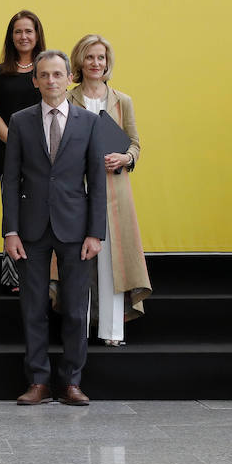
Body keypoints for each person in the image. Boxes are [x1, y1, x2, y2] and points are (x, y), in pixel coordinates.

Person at [2, 50, 106, 406]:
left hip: (76, 229)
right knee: (33, 308)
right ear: (35, 80)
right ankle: (39, 382)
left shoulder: (89, 122)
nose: (51, 81)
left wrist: (96, 232)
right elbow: (10, 180)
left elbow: (97, 181)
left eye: (57, 75)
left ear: (68, 78)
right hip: (30, 229)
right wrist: (10, 231)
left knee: (76, 309)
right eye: (44, 75)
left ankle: (72, 382)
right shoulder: (19, 121)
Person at [66, 34, 152, 346]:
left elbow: (135, 144)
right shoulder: (67, 99)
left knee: (113, 258)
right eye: (90, 57)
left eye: (101, 57)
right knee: (80, 255)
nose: (96, 63)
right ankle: (81, 328)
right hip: (77, 188)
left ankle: (113, 331)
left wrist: (125, 157)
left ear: (108, 62)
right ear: (80, 61)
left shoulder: (122, 101)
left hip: (115, 188)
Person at [0, 10, 45, 292]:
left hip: (44, 155)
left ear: (37, 35)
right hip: (8, 153)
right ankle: (14, 277)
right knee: (13, 213)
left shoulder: (46, 68)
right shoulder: (0, 72)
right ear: (11, 36)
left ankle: (42, 274)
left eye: (28, 31)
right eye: (18, 32)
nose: (23, 36)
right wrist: (15, 141)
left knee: (41, 213)